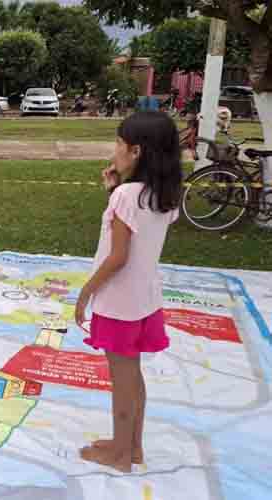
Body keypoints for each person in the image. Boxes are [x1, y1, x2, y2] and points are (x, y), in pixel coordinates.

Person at [75, 111, 183, 473]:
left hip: (118, 302)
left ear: (135, 151)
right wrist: (114, 188)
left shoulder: (126, 195)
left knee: (122, 381)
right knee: (134, 376)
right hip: (145, 301)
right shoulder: (163, 194)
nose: (115, 150)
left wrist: (86, 292)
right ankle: (132, 446)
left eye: (119, 143)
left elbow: (118, 257)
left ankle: (120, 455)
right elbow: (137, 231)